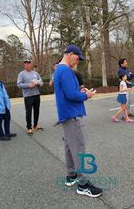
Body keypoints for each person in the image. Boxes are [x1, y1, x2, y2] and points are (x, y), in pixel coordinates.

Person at [54, 44, 103, 198]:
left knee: (69, 146)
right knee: (78, 148)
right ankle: (83, 184)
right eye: (77, 57)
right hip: (72, 114)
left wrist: (81, 91)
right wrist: (85, 96)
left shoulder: (59, 70)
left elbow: (69, 92)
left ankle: (72, 175)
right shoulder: (65, 70)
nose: (78, 61)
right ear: (69, 54)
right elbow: (71, 95)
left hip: (66, 114)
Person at [17, 60, 44, 135]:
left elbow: (41, 82)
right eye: (25, 64)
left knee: (36, 110)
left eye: (28, 64)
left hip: (36, 94)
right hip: (28, 96)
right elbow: (19, 84)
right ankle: (29, 127)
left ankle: (35, 125)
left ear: (31, 64)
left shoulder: (36, 73)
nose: (27, 65)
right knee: (28, 112)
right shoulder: (21, 74)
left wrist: (38, 83)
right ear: (24, 65)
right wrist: (28, 85)